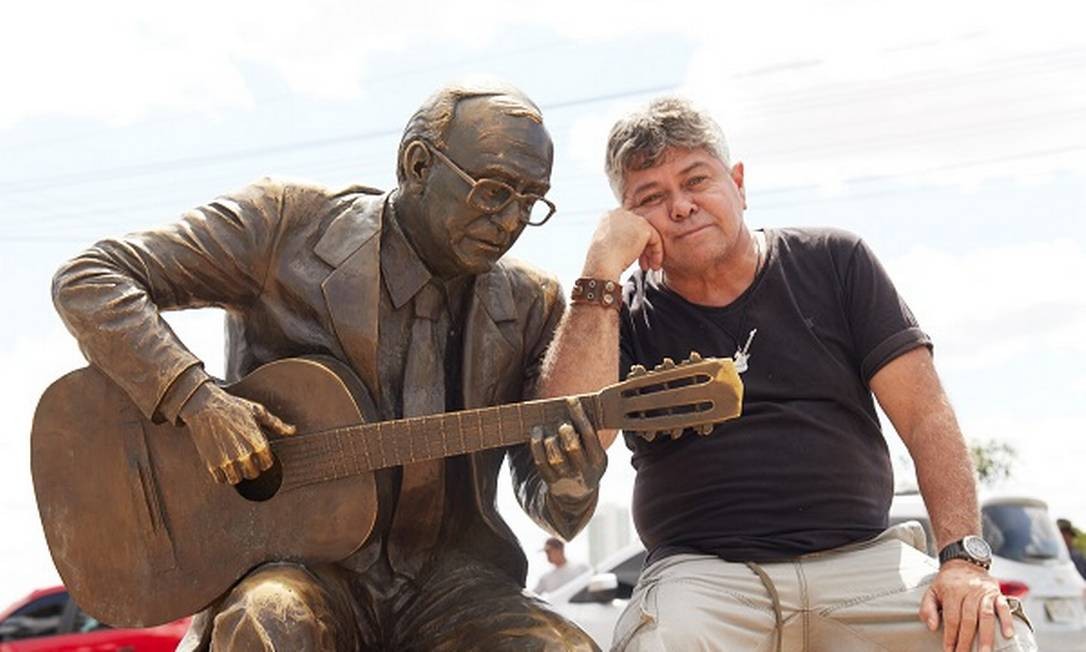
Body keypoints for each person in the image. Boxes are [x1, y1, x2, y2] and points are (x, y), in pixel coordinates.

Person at [51, 82, 606, 651]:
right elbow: (90, 279)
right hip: (301, 570)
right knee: (269, 621)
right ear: (417, 164)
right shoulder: (284, 225)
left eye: (530, 199)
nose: (511, 218)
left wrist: (570, 482)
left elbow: (545, 499)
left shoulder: (530, 301)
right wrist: (196, 400)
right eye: (492, 191)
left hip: (451, 586)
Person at [537, 97, 1038, 651]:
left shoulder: (835, 261)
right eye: (650, 198)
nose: (680, 207)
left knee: (992, 637)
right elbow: (571, 429)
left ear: (739, 183)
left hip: (864, 566)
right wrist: (598, 271)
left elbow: (924, 415)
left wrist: (963, 559)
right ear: (628, 221)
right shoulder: (618, 315)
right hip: (703, 581)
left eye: (695, 180)